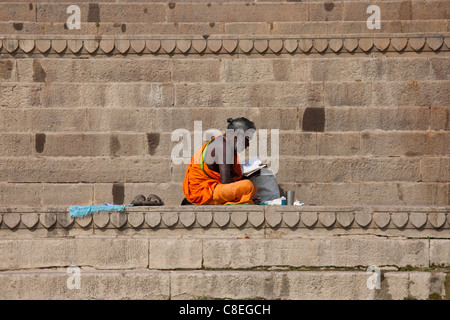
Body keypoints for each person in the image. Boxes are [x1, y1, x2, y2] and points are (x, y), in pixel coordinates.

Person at [182, 117, 261, 205]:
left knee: (251, 186)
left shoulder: (226, 145)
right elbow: (225, 180)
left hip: (212, 189)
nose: (248, 144)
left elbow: (229, 179)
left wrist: (252, 174)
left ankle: (242, 200)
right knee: (248, 186)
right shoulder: (223, 146)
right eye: (247, 139)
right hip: (202, 193)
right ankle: (244, 201)